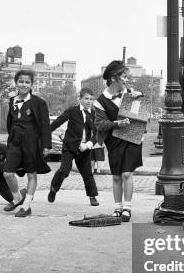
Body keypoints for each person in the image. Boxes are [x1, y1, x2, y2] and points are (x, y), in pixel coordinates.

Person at [93, 60, 144, 222]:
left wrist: (139, 99)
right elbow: (100, 124)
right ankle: (117, 207)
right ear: (114, 78)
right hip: (113, 141)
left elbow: (140, 115)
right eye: (124, 77)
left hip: (131, 138)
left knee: (127, 173)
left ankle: (127, 208)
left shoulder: (131, 93)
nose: (127, 80)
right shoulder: (99, 101)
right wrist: (117, 124)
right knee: (116, 176)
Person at [3, 69, 51, 217]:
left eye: (27, 82)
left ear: (31, 84)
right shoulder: (12, 101)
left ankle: (26, 206)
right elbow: (9, 123)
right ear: (16, 83)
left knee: (31, 173)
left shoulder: (39, 103)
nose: (24, 84)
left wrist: (46, 145)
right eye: (21, 81)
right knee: (7, 173)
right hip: (15, 142)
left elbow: (45, 125)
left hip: (31, 142)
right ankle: (17, 198)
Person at [48, 88, 99, 206]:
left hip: (84, 148)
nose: (89, 101)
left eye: (91, 99)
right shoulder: (72, 111)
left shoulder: (94, 114)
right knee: (64, 171)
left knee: (87, 173)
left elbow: (98, 133)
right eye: (86, 98)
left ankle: (92, 196)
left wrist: (88, 145)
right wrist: (45, 134)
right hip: (69, 146)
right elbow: (57, 122)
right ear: (80, 99)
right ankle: (53, 189)